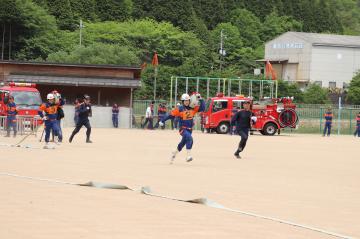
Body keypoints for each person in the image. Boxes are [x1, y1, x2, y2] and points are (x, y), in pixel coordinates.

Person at [160, 93, 205, 163]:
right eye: (185, 100)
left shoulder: (193, 108)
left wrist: (201, 99)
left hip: (190, 130)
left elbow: (202, 108)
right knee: (190, 138)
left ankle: (174, 153)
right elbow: (170, 115)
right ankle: (188, 156)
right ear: (182, 101)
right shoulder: (180, 109)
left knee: (182, 143)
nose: (187, 102)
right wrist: (162, 120)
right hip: (183, 129)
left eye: (188, 100)